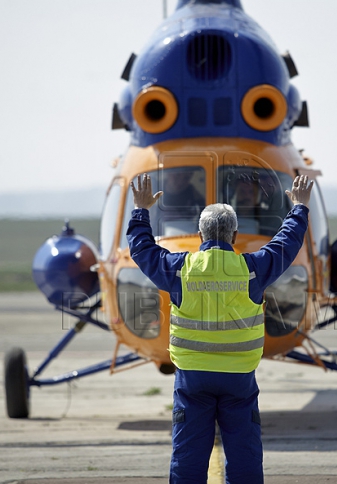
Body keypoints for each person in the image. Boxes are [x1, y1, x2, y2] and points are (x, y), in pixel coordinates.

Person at [127, 172, 313, 484]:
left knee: (188, 454)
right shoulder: (252, 269)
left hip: (193, 377)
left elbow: (142, 250)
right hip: (239, 377)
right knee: (244, 453)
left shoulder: (181, 270)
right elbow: (287, 242)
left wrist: (140, 210)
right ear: (235, 235)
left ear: (200, 236)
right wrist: (299, 207)